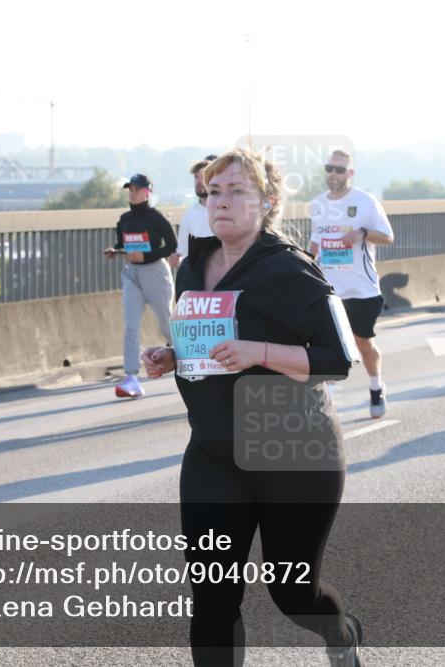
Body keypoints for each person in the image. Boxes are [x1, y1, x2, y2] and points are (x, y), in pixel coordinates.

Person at [141, 148, 363, 667]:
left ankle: (340, 634)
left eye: (236, 191)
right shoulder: (192, 265)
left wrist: (257, 353)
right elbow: (209, 347)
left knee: (293, 594)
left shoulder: (290, 269)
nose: (220, 201)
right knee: (212, 597)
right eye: (213, 192)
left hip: (292, 448)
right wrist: (173, 355)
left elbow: (337, 358)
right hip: (215, 451)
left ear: (266, 202)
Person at [308, 150, 395, 418]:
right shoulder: (318, 204)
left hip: (362, 289)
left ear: (350, 173)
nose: (333, 174)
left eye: (340, 169)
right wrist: (305, 266)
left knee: (363, 344)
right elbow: (316, 241)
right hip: (329, 289)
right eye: (330, 168)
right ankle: (328, 402)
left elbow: (388, 237)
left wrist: (363, 233)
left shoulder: (365, 202)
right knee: (329, 345)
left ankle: (376, 386)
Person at [104, 173, 177, 398]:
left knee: (167, 324)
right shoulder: (124, 219)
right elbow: (123, 243)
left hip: (155, 271)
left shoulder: (156, 218)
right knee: (130, 326)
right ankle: (131, 379)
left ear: (148, 192)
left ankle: (189, 363)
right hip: (131, 275)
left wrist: (146, 257)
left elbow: (171, 245)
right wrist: (115, 251)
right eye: (130, 189)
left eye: (136, 189)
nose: (132, 193)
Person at [170, 156, 216, 268]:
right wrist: (178, 260)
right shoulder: (189, 215)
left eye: (204, 176)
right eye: (196, 177)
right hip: (198, 280)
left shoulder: (227, 210)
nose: (199, 181)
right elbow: (183, 253)